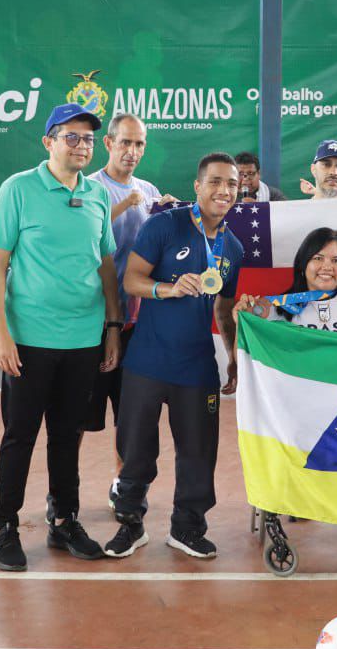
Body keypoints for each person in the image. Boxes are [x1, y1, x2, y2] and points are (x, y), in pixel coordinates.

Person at [0, 102, 122, 571]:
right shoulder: (18, 189)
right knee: (19, 435)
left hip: (83, 340)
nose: (81, 145)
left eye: (87, 139)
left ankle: (64, 521)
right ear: (49, 142)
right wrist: (0, 335)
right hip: (27, 341)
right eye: (71, 137)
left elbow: (106, 267)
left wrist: (112, 326)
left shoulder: (98, 195)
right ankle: (5, 526)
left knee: (68, 435)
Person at [103, 153, 244, 560]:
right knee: (135, 450)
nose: (225, 190)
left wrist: (231, 357)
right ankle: (130, 524)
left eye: (232, 184)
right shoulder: (164, 224)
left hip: (197, 366)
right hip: (147, 361)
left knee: (199, 452)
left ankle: (188, 528)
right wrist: (167, 288)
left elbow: (224, 307)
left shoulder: (232, 246)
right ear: (198, 186)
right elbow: (131, 280)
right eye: (216, 181)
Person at [88, 114, 177, 509]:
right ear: (108, 143)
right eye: (125, 143)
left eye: (139, 144)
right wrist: (124, 204)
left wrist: (173, 214)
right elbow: (82, 235)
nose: (133, 151)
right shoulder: (90, 188)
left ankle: (124, 485)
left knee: (132, 414)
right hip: (91, 322)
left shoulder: (149, 190)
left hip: (138, 324)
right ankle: (63, 492)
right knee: (77, 412)